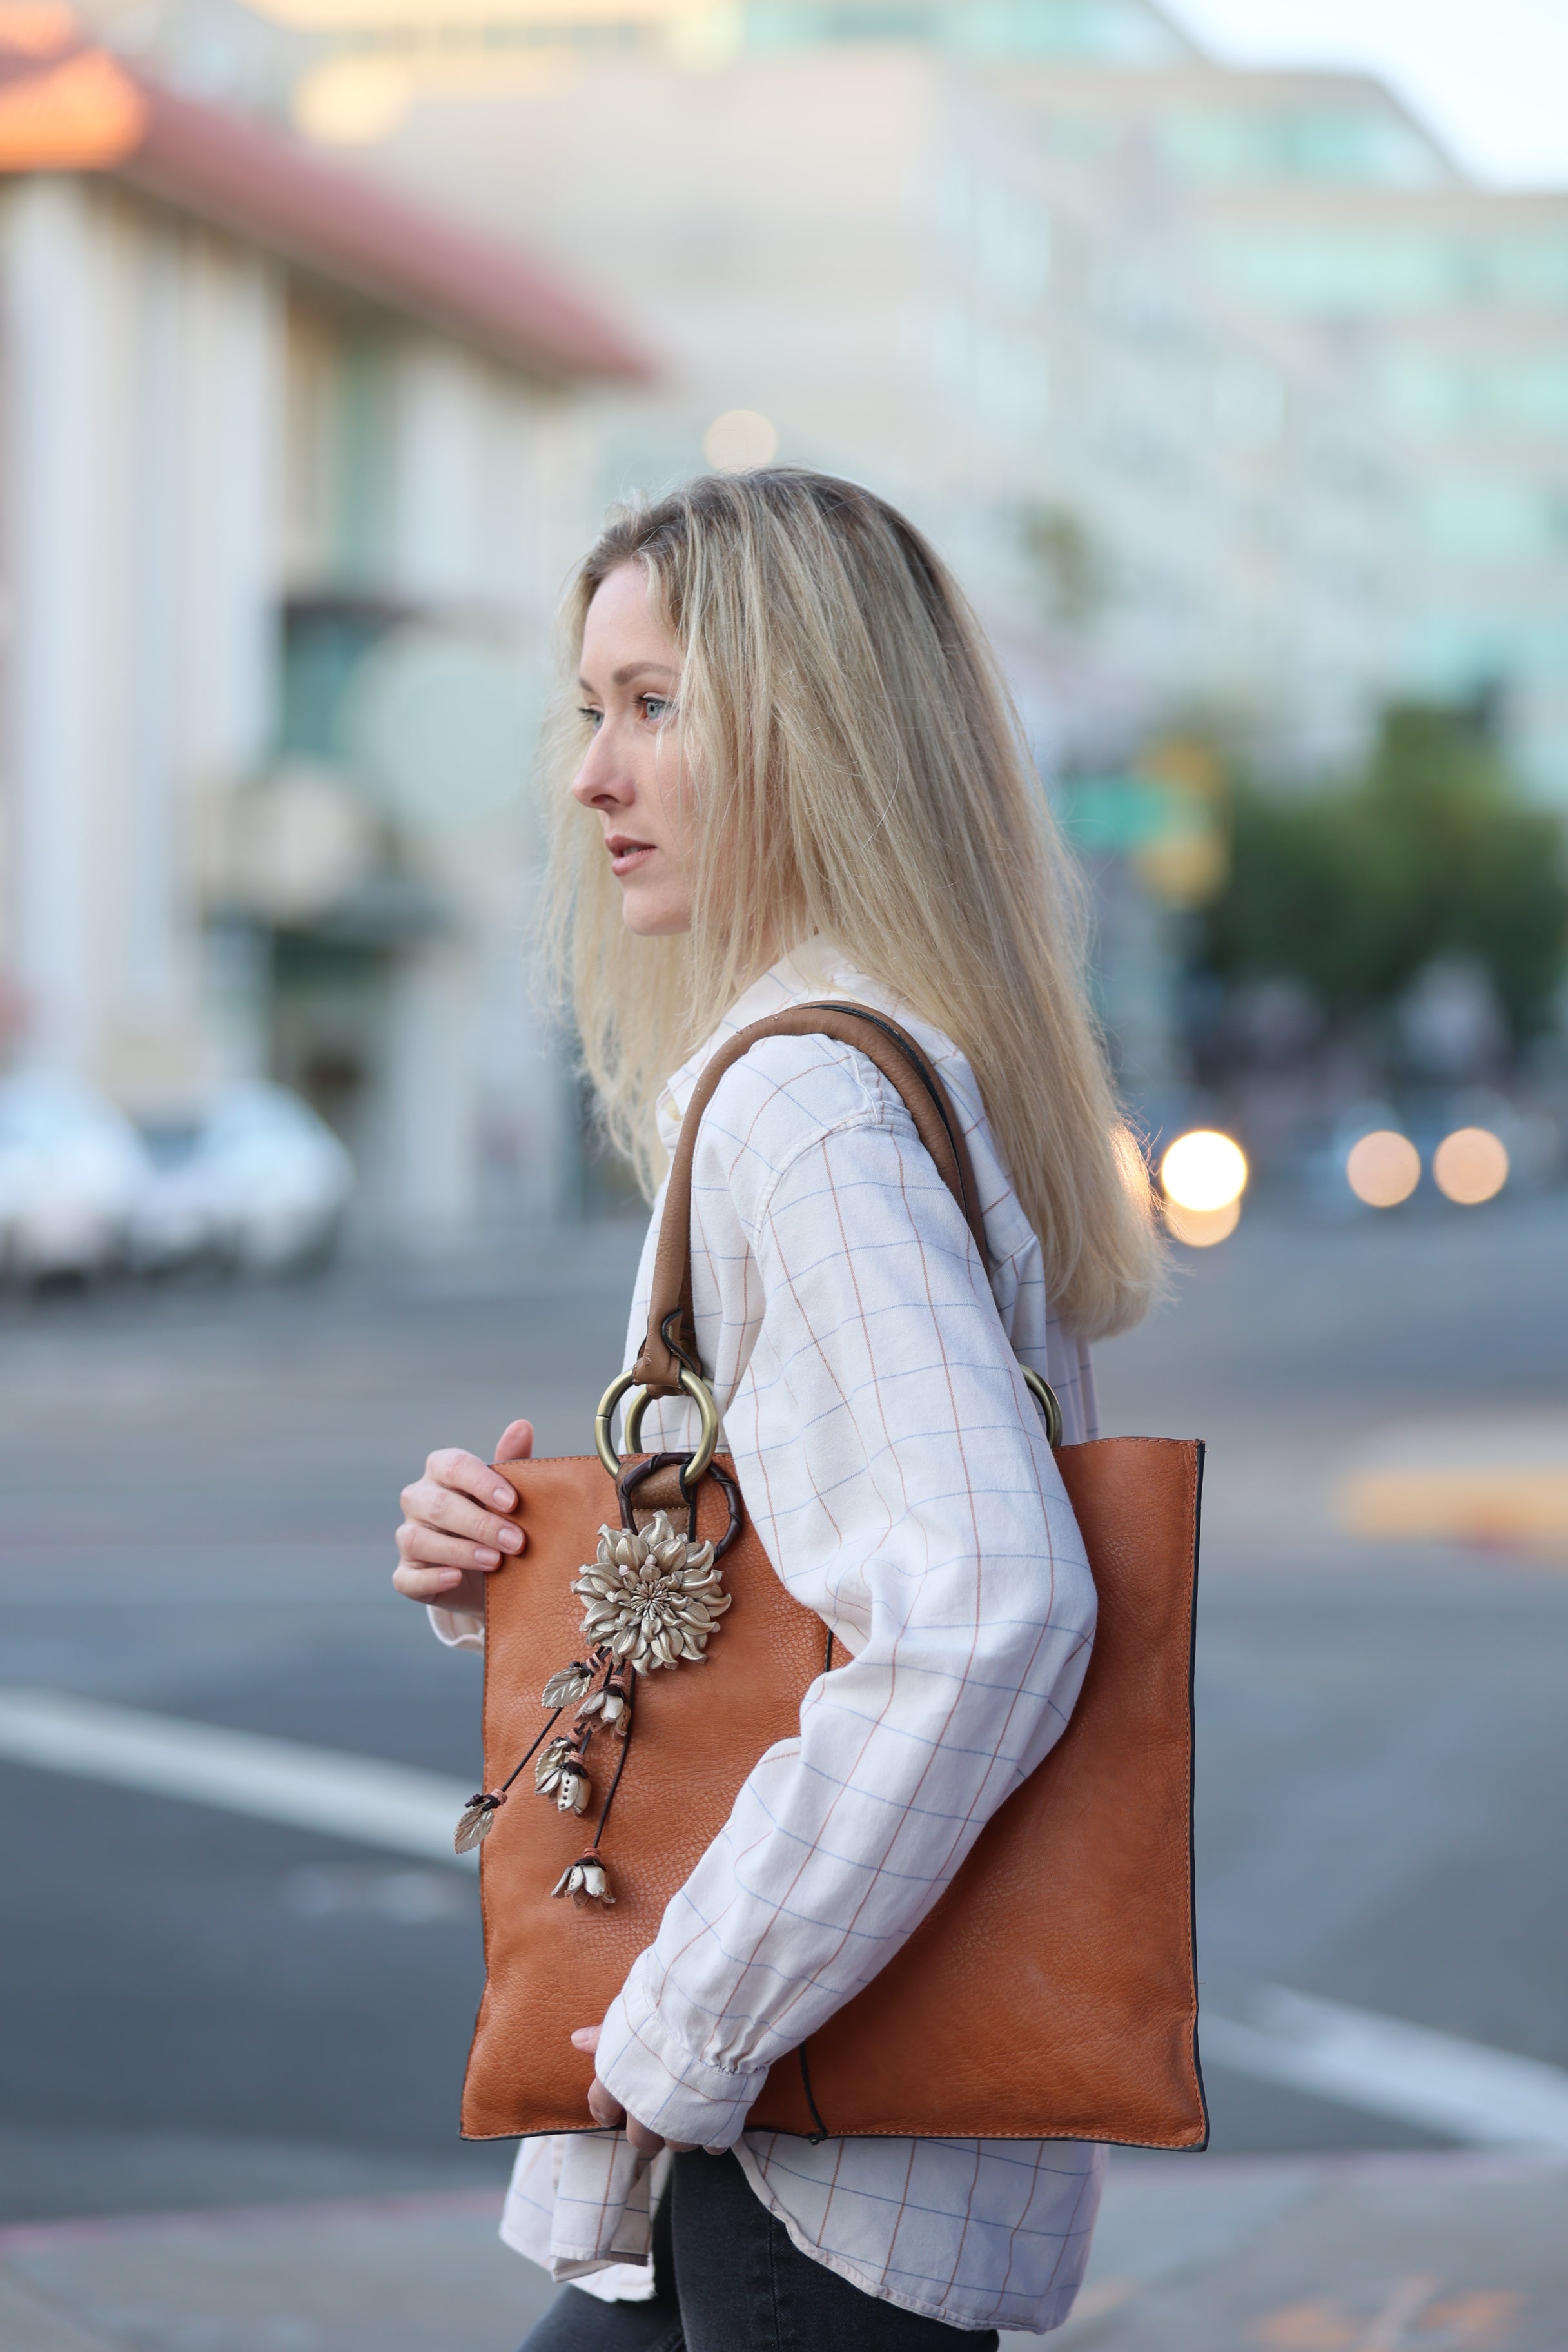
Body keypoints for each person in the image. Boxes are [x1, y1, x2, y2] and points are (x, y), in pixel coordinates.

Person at [393, 470, 1161, 2346]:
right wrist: (511, 1572)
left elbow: (991, 1608)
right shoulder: (897, 1062)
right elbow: (823, 1560)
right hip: (823, 2133)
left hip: (804, 2134)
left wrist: (685, 2022)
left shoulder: (802, 1107)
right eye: (592, 709)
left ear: (808, 735)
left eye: (656, 706)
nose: (593, 777)